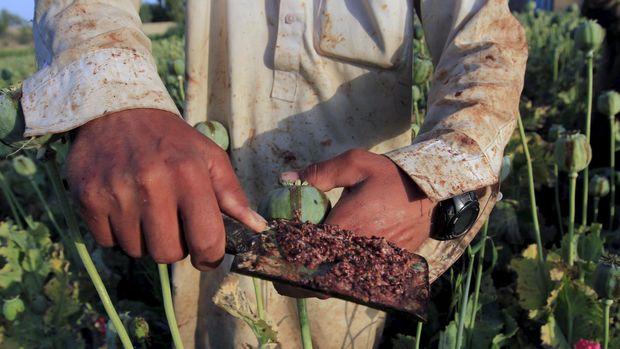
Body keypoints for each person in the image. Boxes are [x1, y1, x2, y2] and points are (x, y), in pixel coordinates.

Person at [22, 0, 527, 347]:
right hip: (205, 211)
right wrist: (114, 97)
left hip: (362, 221)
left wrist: (431, 179)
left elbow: (485, 45)